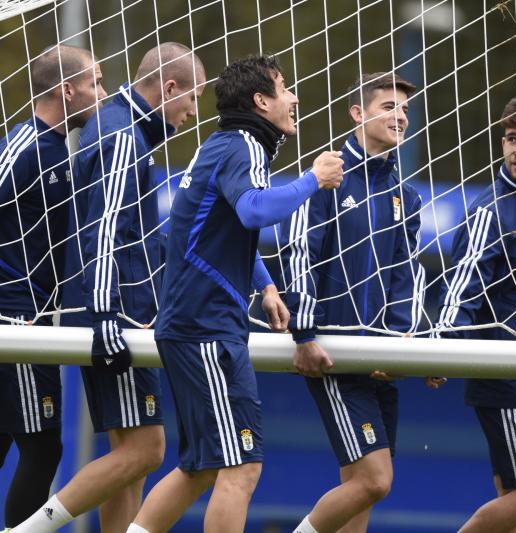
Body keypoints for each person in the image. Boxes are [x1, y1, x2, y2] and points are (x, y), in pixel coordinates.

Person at [126, 54, 343, 533]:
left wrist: (264, 284)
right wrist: (312, 179)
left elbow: (220, 230)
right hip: (205, 328)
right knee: (242, 467)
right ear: (261, 101)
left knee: (201, 467)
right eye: (285, 89)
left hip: (195, 325)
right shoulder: (241, 145)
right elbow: (252, 211)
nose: (294, 98)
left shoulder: (228, 144)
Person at [10, 42, 206, 533]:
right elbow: (103, 229)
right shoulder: (121, 135)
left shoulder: (114, 130)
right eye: (191, 100)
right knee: (145, 449)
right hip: (103, 315)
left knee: (130, 455)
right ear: (169, 88)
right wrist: (103, 315)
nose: (192, 113)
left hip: (106, 311)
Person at [281, 72, 425, 533]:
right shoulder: (327, 176)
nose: (399, 116)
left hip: (380, 355)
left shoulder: (405, 193)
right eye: (388, 107)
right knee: (374, 479)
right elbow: (299, 253)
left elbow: (407, 274)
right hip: (335, 353)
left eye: (404, 108)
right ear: (358, 114)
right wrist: (304, 332)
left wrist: (402, 343)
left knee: (359, 490)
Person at [432, 94, 516, 533]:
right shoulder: (490, 208)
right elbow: (463, 285)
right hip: (505, 374)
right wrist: (442, 348)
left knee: (513, 499)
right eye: (510, 138)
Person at [0, 44, 105, 528]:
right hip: (14, 318)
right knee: (44, 447)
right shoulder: (23, 146)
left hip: (36, 316)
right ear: (66, 89)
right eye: (95, 84)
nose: (102, 94)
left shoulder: (57, 153)